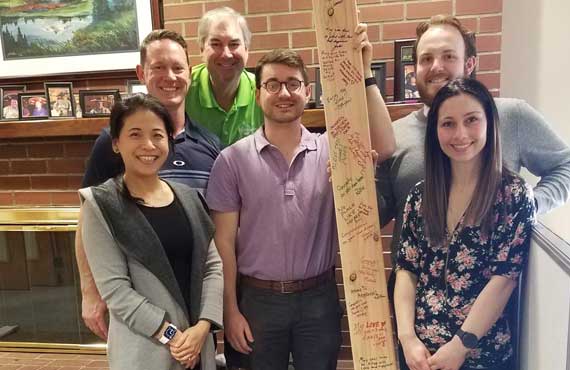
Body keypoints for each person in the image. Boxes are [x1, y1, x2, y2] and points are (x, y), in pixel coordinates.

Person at [206, 24, 396, 370]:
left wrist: (366, 72)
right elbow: (223, 246)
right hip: (257, 301)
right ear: (259, 92)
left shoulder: (333, 150)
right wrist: (230, 311)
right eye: (273, 84)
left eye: (293, 84)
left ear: (307, 91)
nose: (284, 93)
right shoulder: (231, 160)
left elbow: (384, 146)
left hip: (318, 298)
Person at [376, 15, 570, 265]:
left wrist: (530, 204)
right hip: (410, 293)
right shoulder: (393, 136)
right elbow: (378, 217)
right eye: (426, 59)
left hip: (493, 292)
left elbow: (565, 165)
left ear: (469, 64)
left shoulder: (512, 116)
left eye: (448, 56)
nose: (436, 66)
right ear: (415, 70)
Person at [77, 29, 221, 343]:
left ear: (190, 73)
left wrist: (206, 321)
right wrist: (89, 291)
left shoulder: (210, 144)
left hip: (195, 311)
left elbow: (214, 238)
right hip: (142, 319)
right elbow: (89, 219)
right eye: (158, 67)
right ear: (142, 73)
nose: (169, 76)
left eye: (177, 67)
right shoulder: (110, 144)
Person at [394, 78, 535, 370]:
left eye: (471, 120)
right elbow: (406, 270)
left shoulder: (513, 195)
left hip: (481, 357)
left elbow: (504, 280)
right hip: (420, 357)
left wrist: (460, 347)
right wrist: (407, 338)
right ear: (435, 131)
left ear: (489, 123)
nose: (460, 134)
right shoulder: (420, 196)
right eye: (448, 124)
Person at [186, 7, 263, 146]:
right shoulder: (183, 88)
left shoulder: (263, 92)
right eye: (216, 44)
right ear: (202, 49)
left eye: (234, 44)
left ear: (247, 49)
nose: (226, 54)